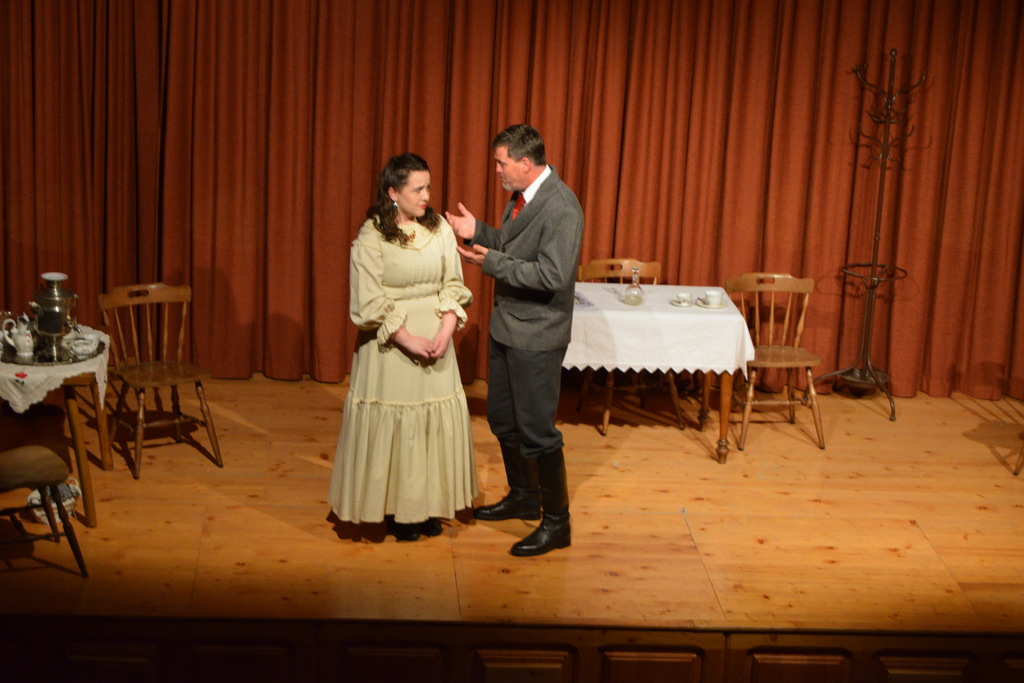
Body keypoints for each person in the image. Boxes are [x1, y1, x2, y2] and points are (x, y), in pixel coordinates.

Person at [446, 124, 584, 557]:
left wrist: (492, 262)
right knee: (504, 419)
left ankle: (557, 523)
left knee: (537, 431)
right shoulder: (521, 197)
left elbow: (553, 275)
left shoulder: (562, 207)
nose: (498, 170)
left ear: (526, 163)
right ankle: (524, 495)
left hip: (537, 335)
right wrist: (478, 231)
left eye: (502, 163)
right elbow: (511, 246)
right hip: (508, 327)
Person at [328, 153, 476, 541]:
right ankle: (396, 511)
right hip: (390, 346)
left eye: (428, 187)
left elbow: (453, 283)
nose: (426, 195)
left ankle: (426, 507)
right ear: (393, 193)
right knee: (395, 428)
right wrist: (407, 338)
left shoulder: (439, 229)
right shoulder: (372, 236)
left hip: (437, 344)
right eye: (417, 189)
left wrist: (446, 330)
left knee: (431, 430)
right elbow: (368, 300)